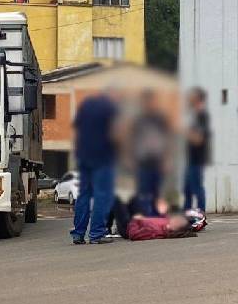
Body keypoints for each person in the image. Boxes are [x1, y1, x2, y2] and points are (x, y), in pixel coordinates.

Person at [70, 90, 120, 245]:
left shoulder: (86, 105)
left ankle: (78, 234)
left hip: (84, 155)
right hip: (103, 157)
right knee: (102, 195)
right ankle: (97, 233)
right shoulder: (111, 107)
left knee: (84, 194)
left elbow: (76, 126)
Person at [131, 89, 171, 216]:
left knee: (158, 194)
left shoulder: (160, 119)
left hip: (158, 162)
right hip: (142, 163)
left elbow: (167, 140)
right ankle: (147, 221)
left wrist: (166, 160)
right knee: (144, 194)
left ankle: (159, 220)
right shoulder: (138, 120)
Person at [184, 88, 210, 212]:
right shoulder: (194, 115)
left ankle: (201, 214)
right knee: (187, 189)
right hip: (191, 159)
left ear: (198, 99)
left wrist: (184, 132)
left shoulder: (201, 116)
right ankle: (186, 217)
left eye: (192, 96)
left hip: (197, 159)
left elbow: (199, 139)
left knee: (196, 188)